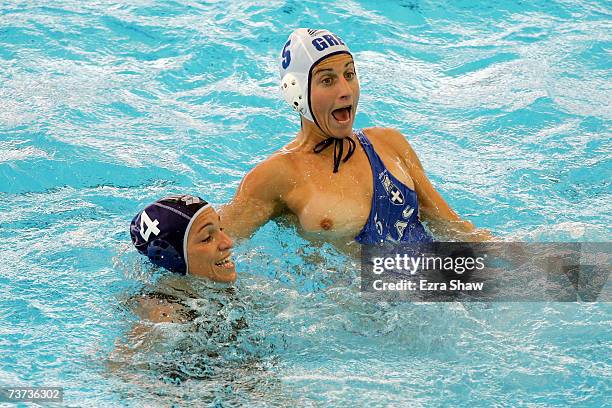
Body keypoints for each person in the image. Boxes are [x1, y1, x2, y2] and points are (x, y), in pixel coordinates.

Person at [220, 28, 491, 245]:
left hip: (428, 282)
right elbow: (214, 246)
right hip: (349, 306)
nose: (346, 90)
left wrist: (518, 261)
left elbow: (455, 228)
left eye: (349, 74)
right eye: (327, 80)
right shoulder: (276, 176)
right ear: (297, 93)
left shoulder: (389, 144)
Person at [130, 194, 236, 283]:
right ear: (171, 257)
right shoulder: (163, 307)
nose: (228, 243)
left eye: (221, 228)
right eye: (207, 238)